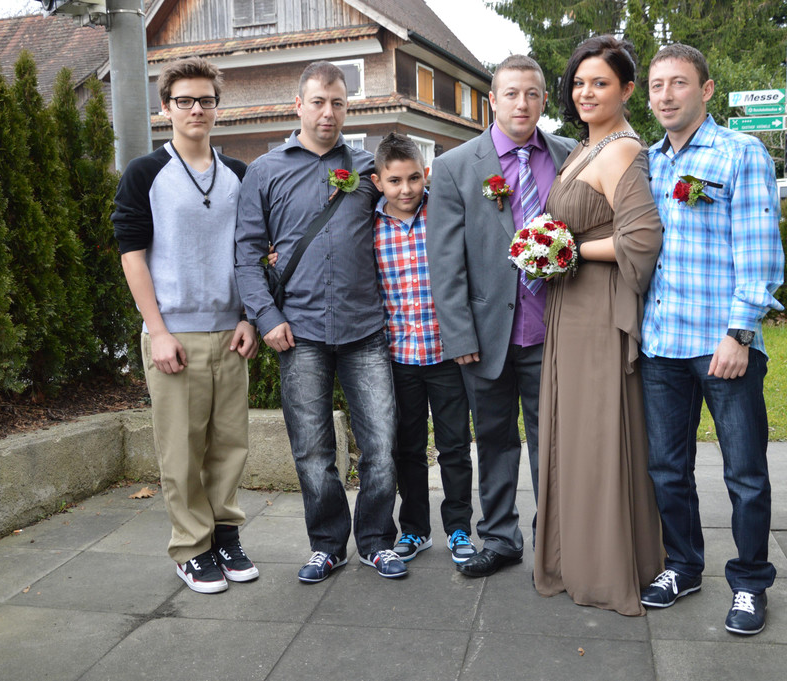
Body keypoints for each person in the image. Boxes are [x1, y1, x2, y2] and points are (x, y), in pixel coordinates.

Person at [234, 61, 406, 583]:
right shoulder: (265, 171)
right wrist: (266, 316)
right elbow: (246, 254)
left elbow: (408, 220)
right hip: (298, 332)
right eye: (318, 102)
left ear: (347, 108)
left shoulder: (367, 169)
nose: (328, 112)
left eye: (337, 103)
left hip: (365, 329)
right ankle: (327, 545)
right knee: (312, 450)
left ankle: (377, 541)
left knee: (381, 446)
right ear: (298, 105)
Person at [639, 44, 784, 635]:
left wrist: (739, 333)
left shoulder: (739, 153)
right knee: (666, 469)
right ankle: (684, 566)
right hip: (661, 345)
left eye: (678, 83)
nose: (666, 95)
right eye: (657, 85)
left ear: (706, 90)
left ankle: (750, 584)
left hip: (723, 344)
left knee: (744, 473)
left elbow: (759, 251)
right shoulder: (648, 162)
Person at [112, 57, 260, 594]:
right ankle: (191, 548)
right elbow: (132, 256)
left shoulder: (240, 174)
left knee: (229, 444)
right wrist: (157, 331)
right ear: (165, 108)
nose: (196, 109)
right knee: (180, 449)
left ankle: (225, 535)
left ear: (218, 107)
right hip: (173, 334)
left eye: (206, 100)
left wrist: (248, 317)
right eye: (184, 101)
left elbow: (252, 252)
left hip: (231, 333)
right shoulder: (145, 174)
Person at [428, 55, 577, 578]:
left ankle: (555, 541)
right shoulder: (455, 166)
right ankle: (499, 538)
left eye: (532, 94)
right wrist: (458, 334)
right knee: (493, 441)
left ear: (544, 100)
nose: (522, 103)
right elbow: (445, 260)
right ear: (493, 100)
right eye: (511, 93)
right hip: (486, 334)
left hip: (552, 329)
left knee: (553, 442)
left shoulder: (569, 155)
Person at [532, 35, 665, 616]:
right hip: (570, 306)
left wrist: (567, 252)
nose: (586, 92)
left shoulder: (622, 150)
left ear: (627, 90)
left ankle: (607, 566)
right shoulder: (585, 147)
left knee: (596, 433)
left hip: (598, 307)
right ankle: (575, 557)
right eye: (579, 82)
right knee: (571, 432)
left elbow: (642, 239)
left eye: (601, 83)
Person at [370, 132, 477, 566]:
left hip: (446, 353)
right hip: (398, 356)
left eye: (414, 178)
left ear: (426, 173)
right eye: (395, 181)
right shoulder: (370, 225)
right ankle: (414, 529)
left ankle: (458, 527)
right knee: (408, 448)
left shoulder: (444, 213)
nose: (406, 189)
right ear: (378, 181)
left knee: (454, 445)